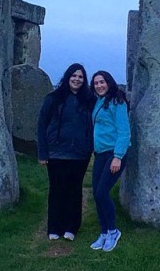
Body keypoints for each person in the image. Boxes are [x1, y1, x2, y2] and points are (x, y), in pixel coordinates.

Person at [37, 63, 95, 241]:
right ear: (67, 77)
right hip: (56, 152)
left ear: (84, 80)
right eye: (74, 76)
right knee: (56, 190)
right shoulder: (53, 98)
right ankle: (54, 227)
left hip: (80, 154)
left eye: (80, 77)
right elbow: (41, 124)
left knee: (74, 190)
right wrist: (42, 152)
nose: (77, 79)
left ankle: (71, 227)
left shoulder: (89, 100)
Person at [89, 70, 131, 252]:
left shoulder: (117, 101)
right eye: (96, 83)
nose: (99, 85)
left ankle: (113, 231)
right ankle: (104, 232)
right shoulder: (99, 101)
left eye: (102, 82)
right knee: (96, 194)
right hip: (100, 154)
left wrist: (118, 157)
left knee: (102, 193)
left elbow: (124, 131)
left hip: (114, 154)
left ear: (109, 82)